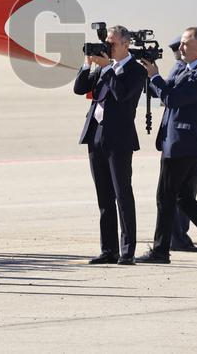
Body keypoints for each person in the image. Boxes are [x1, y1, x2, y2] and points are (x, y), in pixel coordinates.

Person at [136, 28, 197, 266]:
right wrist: (150, 74)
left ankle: (161, 250)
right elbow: (165, 91)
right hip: (179, 143)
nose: (181, 48)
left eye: (186, 44)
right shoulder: (186, 69)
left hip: (184, 144)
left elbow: (172, 98)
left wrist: (155, 77)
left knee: (166, 197)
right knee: (183, 197)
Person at [73, 26, 146, 265]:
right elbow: (79, 89)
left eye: (112, 44)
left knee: (123, 195)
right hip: (96, 136)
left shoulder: (135, 70)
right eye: (107, 43)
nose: (108, 48)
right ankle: (108, 249)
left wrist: (106, 68)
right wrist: (88, 63)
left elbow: (123, 96)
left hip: (119, 138)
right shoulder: (103, 68)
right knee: (104, 197)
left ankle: (127, 251)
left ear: (126, 44)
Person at [163, 37, 197, 254]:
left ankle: (178, 236)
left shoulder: (193, 70)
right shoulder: (181, 69)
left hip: (187, 139)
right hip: (181, 140)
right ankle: (176, 237)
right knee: (179, 194)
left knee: (182, 194)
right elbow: (169, 97)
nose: (180, 52)